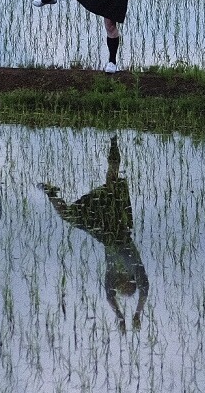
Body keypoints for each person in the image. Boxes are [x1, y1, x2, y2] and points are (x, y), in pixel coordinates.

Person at [41, 139, 149, 331]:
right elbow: (144, 293)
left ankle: (51, 193)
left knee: (69, 215)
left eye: (120, 288)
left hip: (104, 232)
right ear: (130, 282)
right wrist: (137, 314)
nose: (120, 286)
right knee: (112, 182)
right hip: (120, 227)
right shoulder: (136, 269)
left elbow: (109, 296)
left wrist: (121, 318)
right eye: (125, 287)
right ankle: (114, 141)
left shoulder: (111, 276)